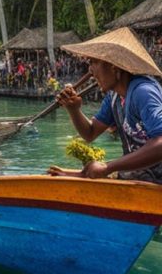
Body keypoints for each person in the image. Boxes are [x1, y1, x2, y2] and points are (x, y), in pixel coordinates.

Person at [53, 27, 162, 183]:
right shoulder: (115, 97)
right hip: (141, 179)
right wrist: (74, 109)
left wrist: (107, 168)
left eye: (94, 62)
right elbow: (90, 133)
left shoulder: (143, 92)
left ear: (113, 66)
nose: (90, 71)